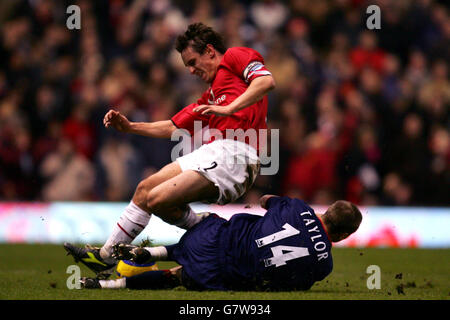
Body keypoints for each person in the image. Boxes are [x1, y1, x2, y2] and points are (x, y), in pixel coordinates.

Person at [64, 22, 276, 278]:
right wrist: (130, 126)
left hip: (238, 155)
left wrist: (229, 109)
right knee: (145, 190)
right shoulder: (209, 98)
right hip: (213, 153)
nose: (190, 70)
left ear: (210, 51)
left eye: (192, 61)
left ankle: (203, 225)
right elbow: (171, 127)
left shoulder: (235, 56)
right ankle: (106, 257)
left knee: (158, 199)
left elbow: (266, 81)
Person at [80, 195, 362, 291]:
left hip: (214, 236)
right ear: (344, 236)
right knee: (177, 277)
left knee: (208, 223)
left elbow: (265, 201)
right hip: (223, 273)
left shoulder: (298, 207)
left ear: (326, 210)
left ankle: (153, 250)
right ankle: (106, 285)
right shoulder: (324, 266)